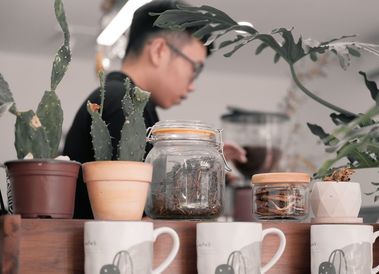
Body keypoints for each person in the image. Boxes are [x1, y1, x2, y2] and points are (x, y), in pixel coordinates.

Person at [64, 0, 245, 219]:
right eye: (194, 69)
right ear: (159, 51)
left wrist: (204, 161)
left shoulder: (118, 97)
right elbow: (143, 210)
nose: (193, 85)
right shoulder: (123, 102)